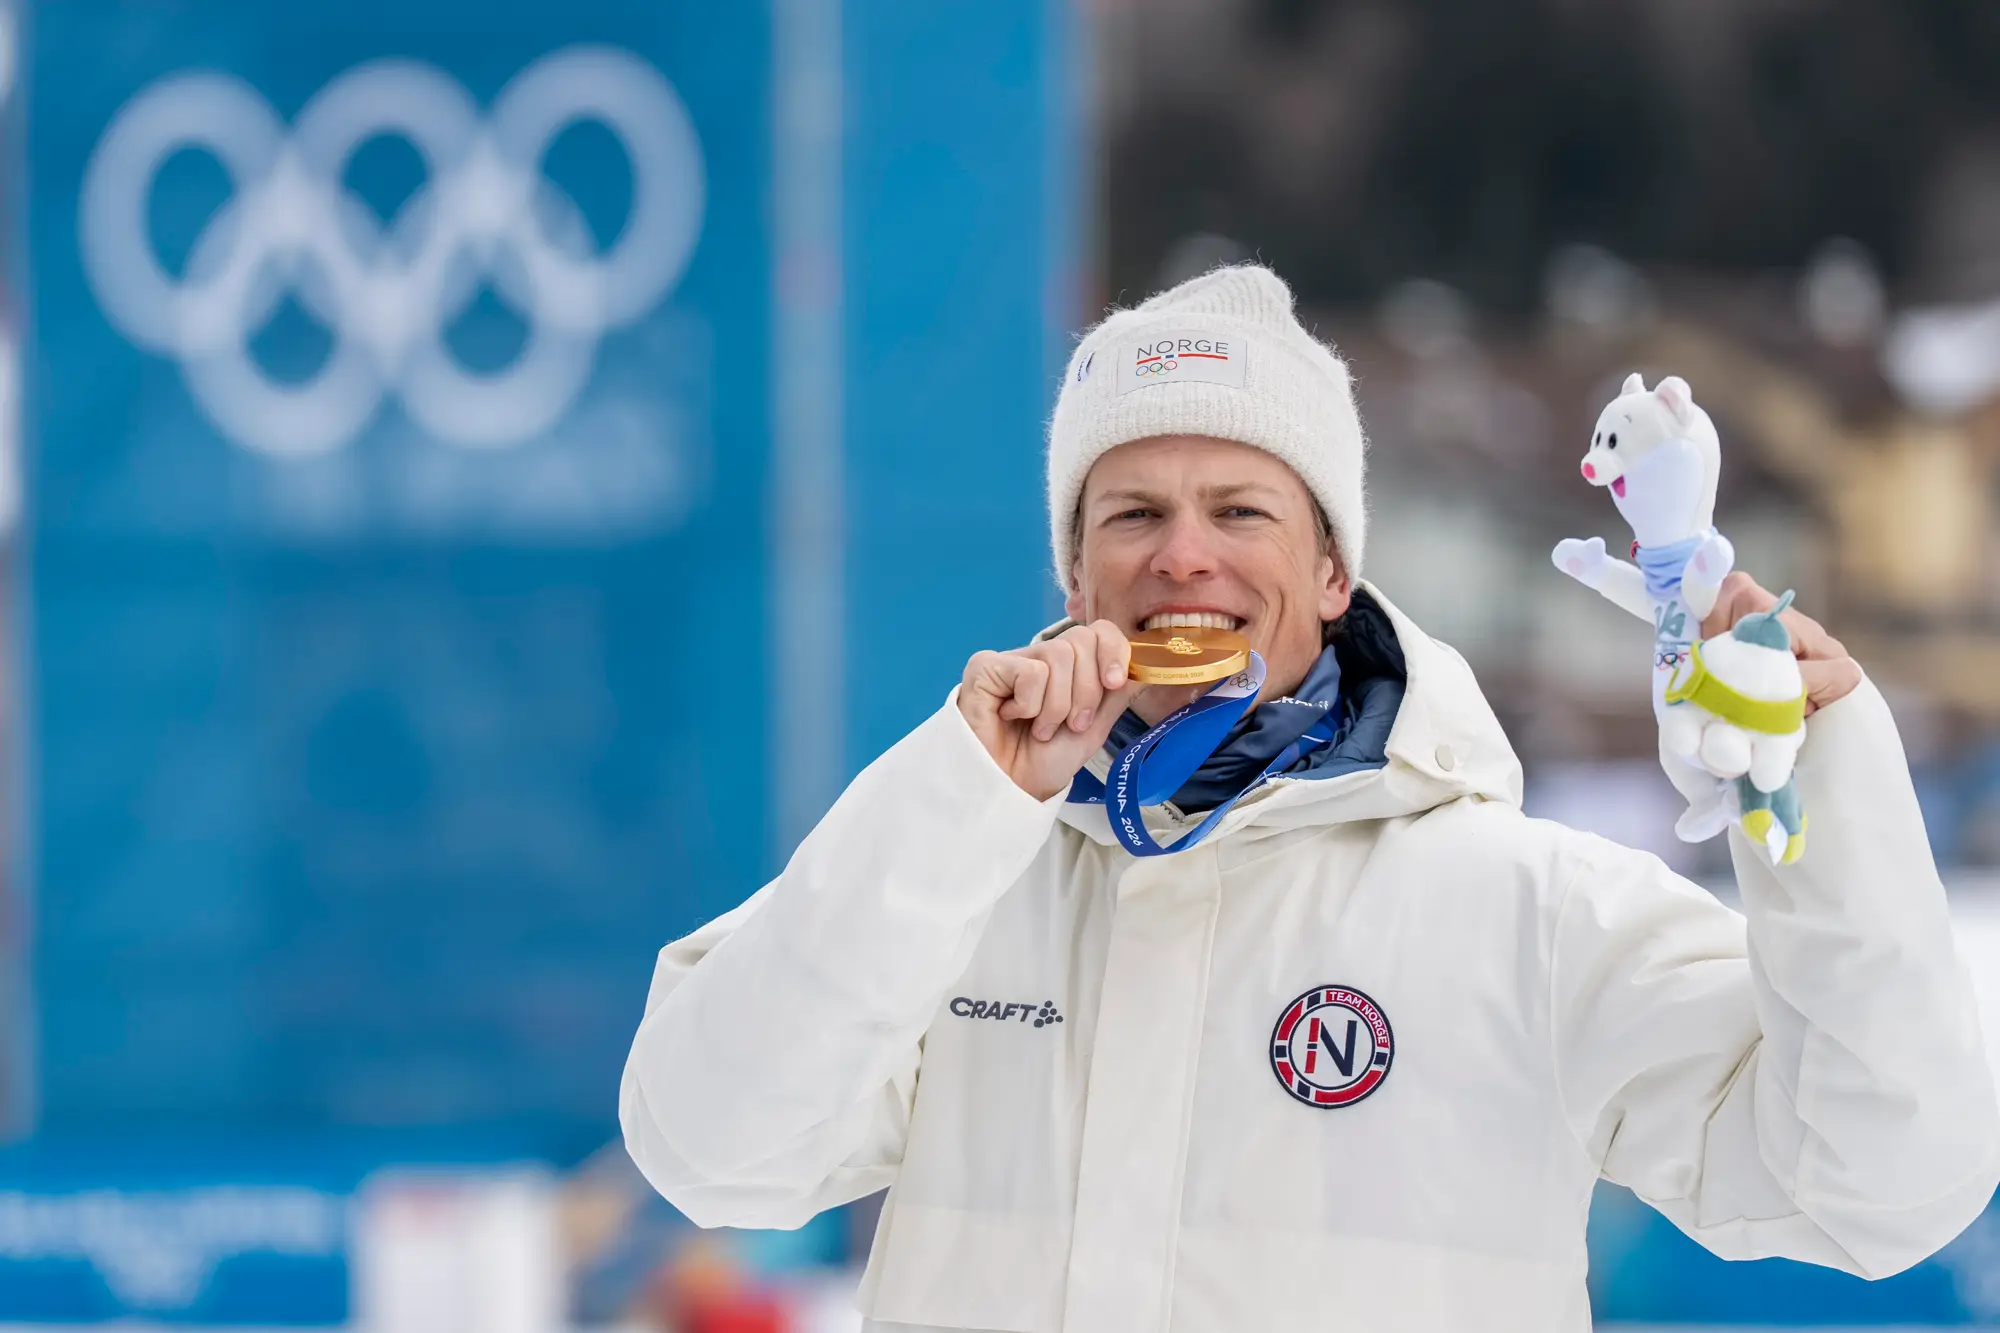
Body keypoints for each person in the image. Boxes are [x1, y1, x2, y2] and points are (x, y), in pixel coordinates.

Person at [620, 265, 2000, 1332]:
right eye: (1132, 516)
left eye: (1241, 510)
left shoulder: (1523, 908)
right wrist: (951, 802)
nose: (1184, 559)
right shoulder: (957, 883)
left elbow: (1878, 1186)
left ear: (1335, 576)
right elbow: (714, 1150)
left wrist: (1822, 778)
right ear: (1075, 578)